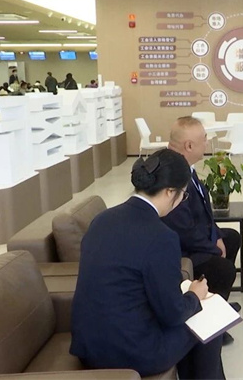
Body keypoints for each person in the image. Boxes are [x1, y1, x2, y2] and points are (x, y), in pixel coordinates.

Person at [70, 149, 224, 379]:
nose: (181, 201)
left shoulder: (102, 219)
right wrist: (195, 295)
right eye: (183, 195)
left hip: (88, 346)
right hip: (132, 352)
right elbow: (172, 314)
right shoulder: (162, 236)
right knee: (209, 319)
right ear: (170, 191)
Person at [164, 118, 242, 302]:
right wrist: (213, 247)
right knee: (224, 269)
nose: (207, 143)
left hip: (197, 233)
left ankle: (217, 302)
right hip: (182, 248)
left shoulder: (186, 166)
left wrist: (216, 236)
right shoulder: (172, 176)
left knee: (231, 238)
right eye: (204, 138)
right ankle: (208, 311)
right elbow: (183, 230)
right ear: (189, 146)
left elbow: (204, 211)